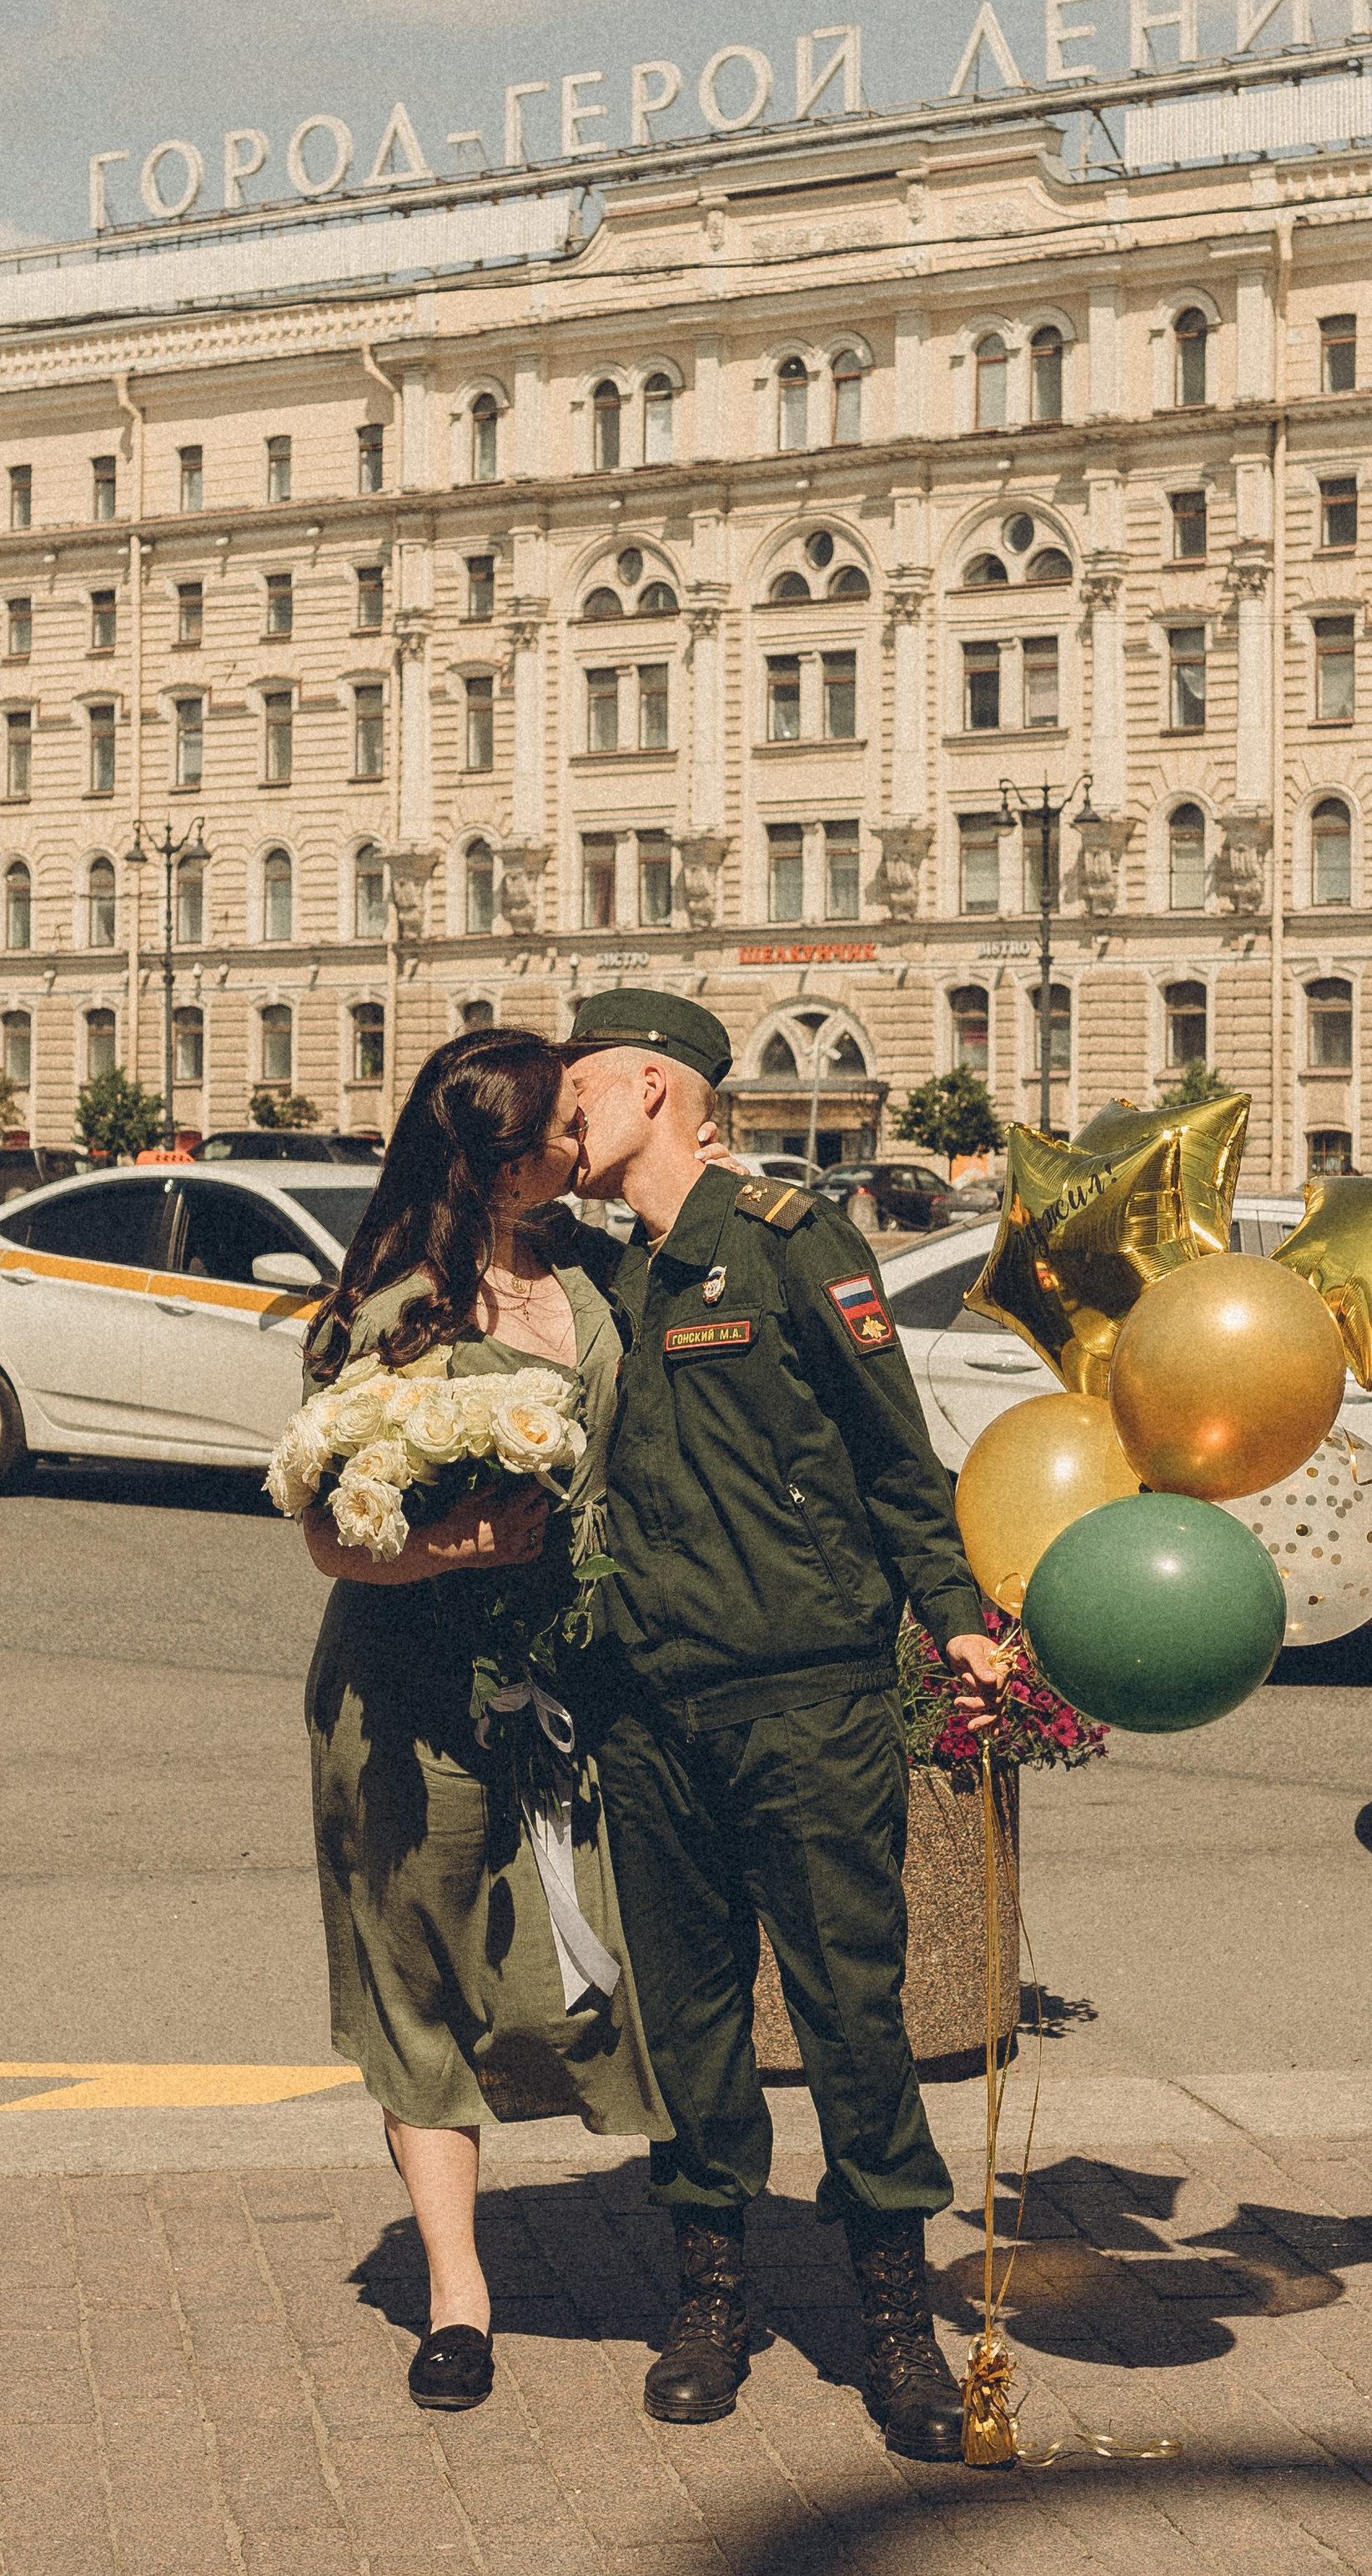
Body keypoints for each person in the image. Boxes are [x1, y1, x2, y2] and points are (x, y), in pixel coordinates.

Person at [562, 990, 1008, 2463]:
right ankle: (711, 2296)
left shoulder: (788, 1239)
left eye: (580, 1099)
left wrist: (953, 1615)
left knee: (849, 2010)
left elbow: (895, 1456)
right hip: (646, 1703)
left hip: (804, 1695)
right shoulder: (588, 1276)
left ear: (654, 1091)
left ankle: (893, 2316)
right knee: (687, 2020)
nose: (566, 1127)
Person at [298, 1027, 666, 2418]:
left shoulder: (586, 1273)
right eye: (562, 1130)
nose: (583, 1145)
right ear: (496, 1160)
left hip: (568, 1681)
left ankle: (695, 2239)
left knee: (597, 1965)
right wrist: (455, 1553)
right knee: (418, 1981)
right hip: (406, 1697)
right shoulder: (392, 1307)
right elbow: (331, 1537)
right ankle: (458, 2292)